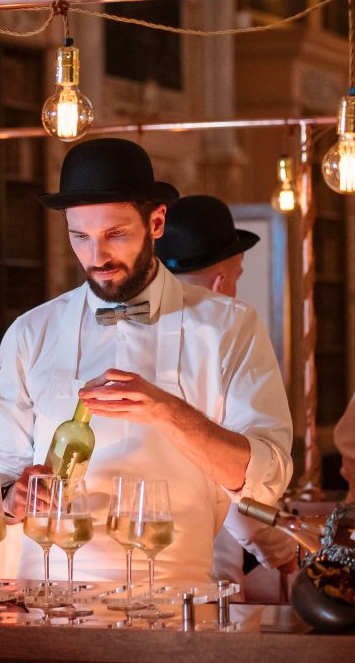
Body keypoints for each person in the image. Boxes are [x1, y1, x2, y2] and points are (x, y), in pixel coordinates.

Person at [0, 138, 293, 583]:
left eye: (116, 234)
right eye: (80, 237)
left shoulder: (230, 327)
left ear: (157, 222)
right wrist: (14, 498)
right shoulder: (30, 333)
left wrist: (167, 411)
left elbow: (267, 477)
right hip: (48, 596)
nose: (97, 257)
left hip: (177, 599)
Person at [156, 194, 298, 588]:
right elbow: (242, 494)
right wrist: (287, 554)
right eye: (238, 275)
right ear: (221, 281)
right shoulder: (228, 337)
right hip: (207, 578)